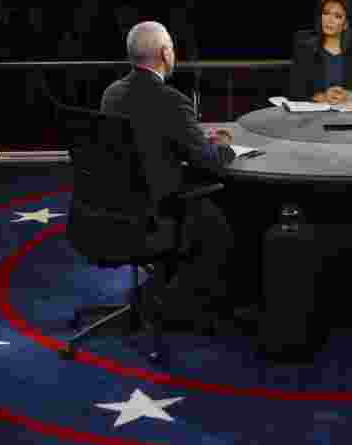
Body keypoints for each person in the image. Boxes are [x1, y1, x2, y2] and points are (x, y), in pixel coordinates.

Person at [99, 21, 252, 327]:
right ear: (165, 53)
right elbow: (208, 162)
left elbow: (149, 139)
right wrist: (223, 145)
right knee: (222, 217)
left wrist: (189, 139)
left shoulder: (112, 93)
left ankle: (164, 289)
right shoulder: (171, 100)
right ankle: (188, 305)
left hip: (112, 206)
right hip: (157, 209)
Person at [289, 0, 352, 105]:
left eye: (337, 16)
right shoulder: (305, 48)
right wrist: (322, 97)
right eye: (325, 13)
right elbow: (294, 92)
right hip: (314, 116)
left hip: (349, 116)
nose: (329, 20)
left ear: (346, 23)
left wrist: (349, 95)